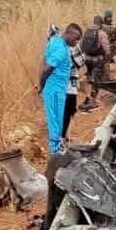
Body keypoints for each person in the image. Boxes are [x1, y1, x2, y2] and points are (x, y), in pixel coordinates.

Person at [39, 23, 81, 153]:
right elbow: (47, 68)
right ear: (68, 34)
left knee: (56, 120)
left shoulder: (54, 41)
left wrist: (42, 85)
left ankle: (57, 148)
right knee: (55, 122)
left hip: (56, 88)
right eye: (76, 38)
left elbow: (44, 60)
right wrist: (42, 84)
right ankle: (55, 152)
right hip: (55, 91)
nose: (77, 42)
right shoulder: (61, 49)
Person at [80, 14, 111, 109]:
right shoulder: (101, 33)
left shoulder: (87, 31)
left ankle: (84, 90)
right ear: (101, 23)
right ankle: (92, 101)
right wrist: (107, 57)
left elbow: (82, 46)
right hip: (97, 60)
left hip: (87, 59)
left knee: (89, 76)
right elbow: (107, 49)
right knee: (96, 80)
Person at [62, 39, 86, 142]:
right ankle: (63, 137)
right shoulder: (73, 46)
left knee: (65, 110)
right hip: (70, 85)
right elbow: (82, 64)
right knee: (69, 111)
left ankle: (65, 136)